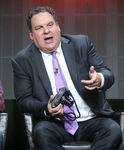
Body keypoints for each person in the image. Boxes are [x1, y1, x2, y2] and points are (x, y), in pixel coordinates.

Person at [11, 6, 122, 150]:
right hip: (55, 123)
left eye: (50, 25)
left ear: (58, 27)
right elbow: (23, 101)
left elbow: (107, 74)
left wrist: (99, 79)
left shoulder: (81, 44)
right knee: (41, 133)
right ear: (31, 35)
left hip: (91, 119)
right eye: (39, 28)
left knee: (113, 130)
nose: (46, 31)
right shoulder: (22, 60)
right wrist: (46, 108)